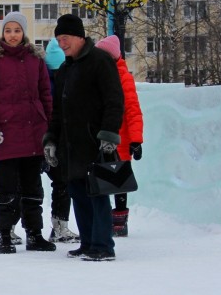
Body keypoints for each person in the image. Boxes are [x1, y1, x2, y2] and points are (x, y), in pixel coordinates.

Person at [43, 14, 124, 261]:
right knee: (78, 193)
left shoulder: (100, 61)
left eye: (65, 38)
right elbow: (58, 111)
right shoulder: (66, 69)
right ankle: (88, 242)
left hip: (94, 142)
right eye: (58, 40)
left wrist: (109, 135)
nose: (62, 44)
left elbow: (114, 100)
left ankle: (103, 245)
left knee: (97, 194)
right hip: (71, 145)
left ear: (79, 36)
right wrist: (51, 140)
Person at [0, 11, 55, 254]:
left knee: (33, 189)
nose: (13, 35)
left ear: (24, 32)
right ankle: (4, 235)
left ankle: (34, 234)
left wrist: (51, 129)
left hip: (34, 133)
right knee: (6, 189)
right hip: (6, 136)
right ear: (3, 32)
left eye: (17, 30)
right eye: (8, 30)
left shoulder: (35, 59)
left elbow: (45, 95)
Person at [95, 35, 144, 237]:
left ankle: (119, 219)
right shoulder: (97, 75)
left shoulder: (123, 77)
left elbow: (132, 109)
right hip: (100, 136)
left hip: (121, 138)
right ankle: (105, 218)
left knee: (119, 181)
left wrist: (136, 140)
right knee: (101, 179)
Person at [42, 38, 80, 244]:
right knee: (62, 183)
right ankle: (59, 226)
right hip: (58, 137)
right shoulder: (64, 77)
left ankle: (56, 226)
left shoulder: (43, 77)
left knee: (56, 184)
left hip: (46, 136)